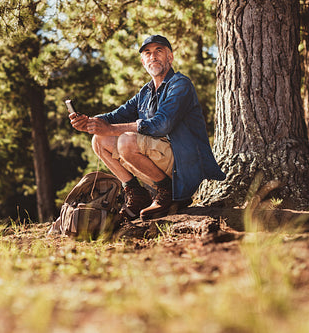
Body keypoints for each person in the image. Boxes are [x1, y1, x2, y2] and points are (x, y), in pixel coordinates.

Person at [69, 34, 225, 221]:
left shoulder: (180, 84)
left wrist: (110, 129)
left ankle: (167, 193)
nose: (153, 56)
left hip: (184, 164)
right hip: (162, 160)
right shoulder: (145, 92)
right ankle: (137, 194)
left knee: (126, 140)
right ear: (143, 62)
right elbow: (115, 116)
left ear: (170, 57)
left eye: (159, 51)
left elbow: (161, 125)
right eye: (148, 53)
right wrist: (89, 123)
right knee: (99, 140)